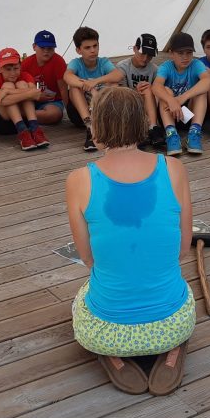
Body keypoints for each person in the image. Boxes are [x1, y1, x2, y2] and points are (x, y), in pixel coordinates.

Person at [66, 87, 194, 395]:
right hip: (171, 324)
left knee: (84, 296)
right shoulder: (173, 168)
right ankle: (172, 351)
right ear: (144, 122)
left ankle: (113, 356)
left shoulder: (79, 180)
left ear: (97, 126)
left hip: (106, 333)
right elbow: (183, 249)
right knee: (178, 288)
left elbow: (88, 258)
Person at [63, 26, 123, 152]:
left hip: (100, 110)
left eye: (95, 46)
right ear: (78, 50)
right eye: (87, 47)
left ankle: (110, 126)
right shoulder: (76, 63)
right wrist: (90, 88)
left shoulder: (103, 62)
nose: (93, 50)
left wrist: (95, 82)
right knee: (74, 88)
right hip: (79, 114)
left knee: (114, 85)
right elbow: (67, 76)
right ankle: (90, 129)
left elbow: (118, 75)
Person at [153, 32, 210, 156]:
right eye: (180, 53)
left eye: (189, 53)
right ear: (171, 53)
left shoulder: (196, 64)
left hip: (189, 115)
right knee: (166, 90)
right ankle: (171, 134)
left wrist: (181, 98)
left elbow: (208, 80)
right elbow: (156, 86)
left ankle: (194, 133)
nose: (185, 57)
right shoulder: (166, 67)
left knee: (201, 92)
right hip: (169, 114)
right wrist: (171, 101)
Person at [0, 47, 49, 151]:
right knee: (8, 85)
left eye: (15, 68)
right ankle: (22, 131)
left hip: (26, 120)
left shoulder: (25, 76)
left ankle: (34, 128)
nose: (12, 73)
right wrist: (27, 93)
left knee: (21, 84)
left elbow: (36, 93)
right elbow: (3, 101)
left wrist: (7, 92)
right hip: (3, 122)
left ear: (20, 65)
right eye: (8, 69)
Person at [115, 33, 164, 149]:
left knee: (149, 88)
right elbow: (121, 94)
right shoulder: (123, 66)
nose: (146, 58)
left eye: (150, 55)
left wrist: (151, 88)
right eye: (143, 53)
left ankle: (152, 128)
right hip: (129, 105)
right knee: (144, 89)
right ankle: (142, 130)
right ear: (135, 49)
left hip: (148, 107)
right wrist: (135, 91)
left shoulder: (155, 69)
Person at [20, 30, 69, 126]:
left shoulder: (58, 61)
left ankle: (19, 116)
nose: (46, 51)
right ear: (34, 47)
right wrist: (35, 96)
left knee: (54, 114)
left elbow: (63, 89)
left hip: (52, 102)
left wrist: (69, 111)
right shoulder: (26, 63)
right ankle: (27, 117)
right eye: (42, 47)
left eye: (50, 48)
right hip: (30, 99)